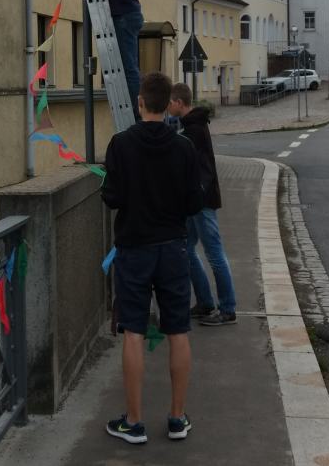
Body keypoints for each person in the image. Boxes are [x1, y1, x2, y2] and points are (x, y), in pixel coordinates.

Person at [101, 72, 204, 444]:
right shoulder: (184, 147)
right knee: (178, 330)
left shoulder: (120, 144)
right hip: (174, 248)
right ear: (167, 105)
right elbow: (194, 203)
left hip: (134, 249)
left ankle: (134, 422)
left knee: (134, 331)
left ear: (141, 103)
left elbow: (112, 197)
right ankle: (177, 419)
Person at [168, 83, 237, 326]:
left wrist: (195, 196)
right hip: (193, 202)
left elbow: (202, 170)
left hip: (202, 202)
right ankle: (205, 303)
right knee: (187, 249)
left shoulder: (194, 130)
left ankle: (227, 309)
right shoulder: (192, 126)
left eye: (170, 103)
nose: (167, 107)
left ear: (179, 103)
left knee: (214, 253)